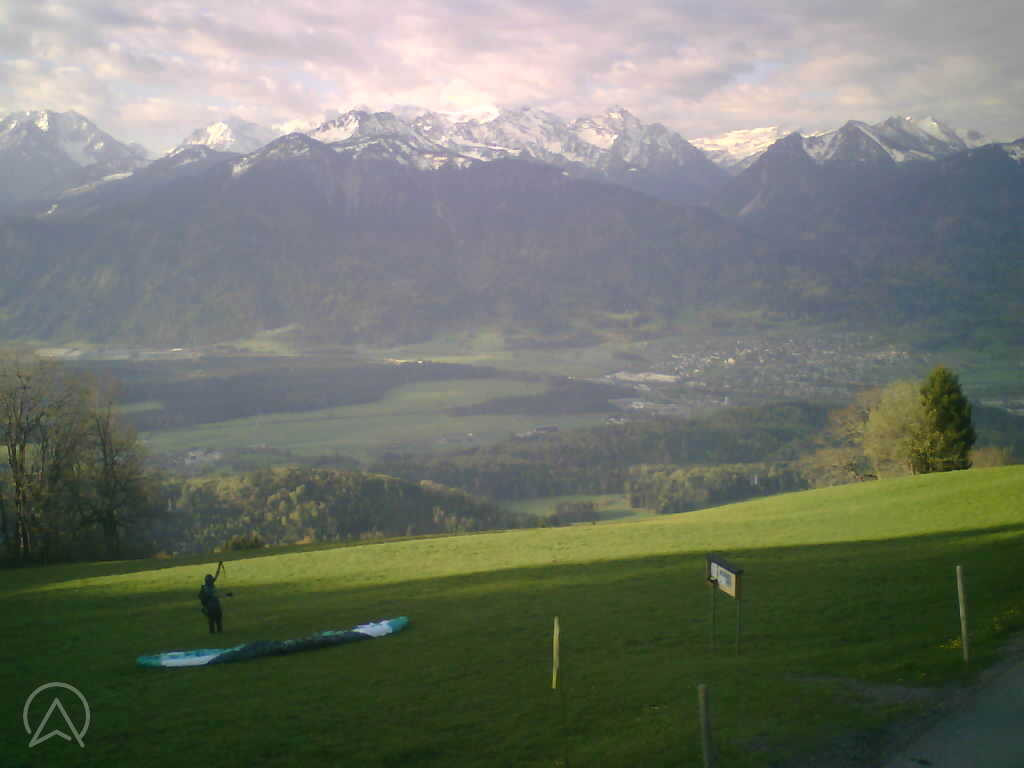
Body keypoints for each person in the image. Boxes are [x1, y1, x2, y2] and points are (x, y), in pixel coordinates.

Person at [198, 562, 231, 633]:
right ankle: (218, 632)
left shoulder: (205, 587)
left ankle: (213, 633)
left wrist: (219, 566)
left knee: (211, 621)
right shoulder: (209, 588)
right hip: (214, 607)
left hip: (209, 608)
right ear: (211, 581)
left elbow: (216, 575)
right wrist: (226, 595)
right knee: (218, 620)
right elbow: (216, 595)